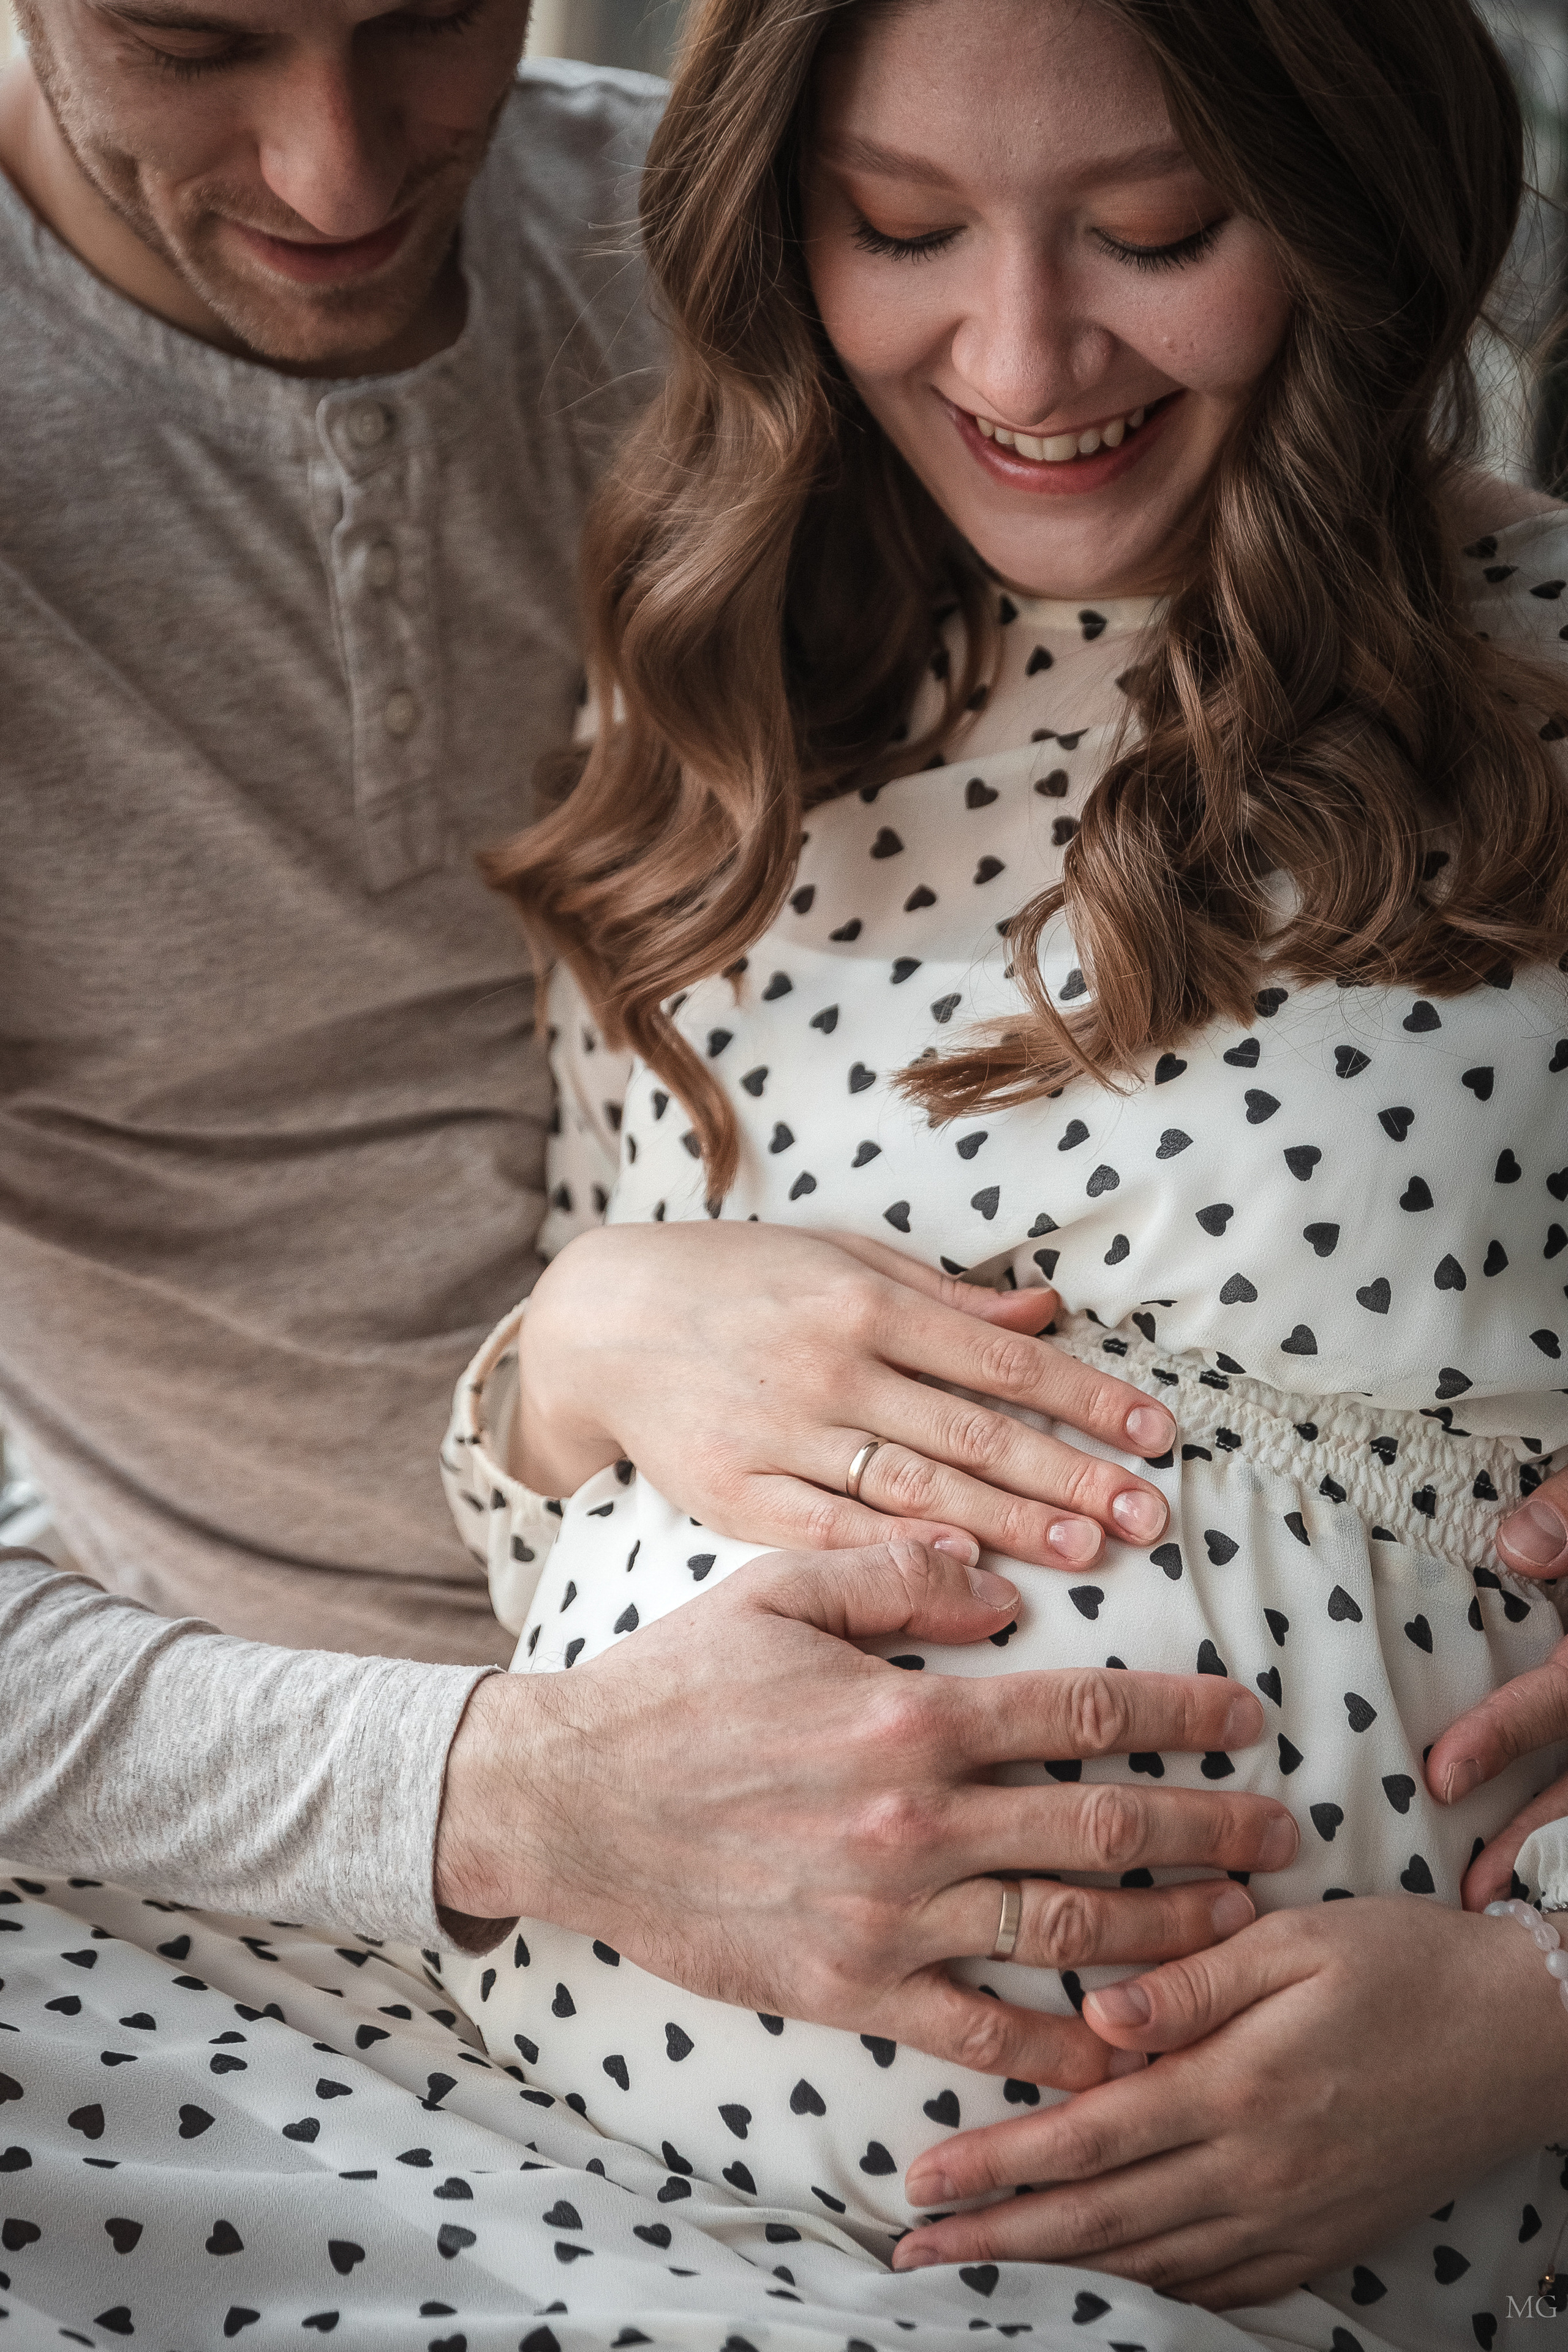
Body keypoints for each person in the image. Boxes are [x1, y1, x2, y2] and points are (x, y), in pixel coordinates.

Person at [0, 6, 1321, 2343]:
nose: (334, 165)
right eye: (195, 39)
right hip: (282, 1857)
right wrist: (517, 1790)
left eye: (427, 18)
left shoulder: (777, 251)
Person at [417, 0, 1568, 2341]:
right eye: (901, 227)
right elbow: (549, 1554)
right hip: (518, 2144)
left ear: (1353, 211)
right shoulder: (733, 707)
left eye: (1157, 230)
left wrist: (1546, 2011)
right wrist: (581, 1350)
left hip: (1251, 2265)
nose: (1026, 350)